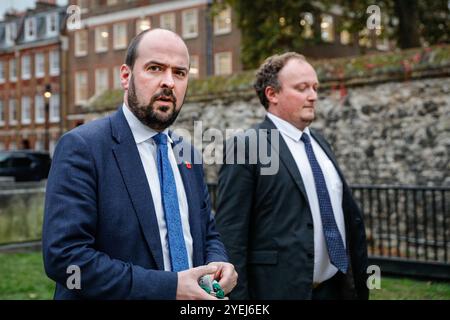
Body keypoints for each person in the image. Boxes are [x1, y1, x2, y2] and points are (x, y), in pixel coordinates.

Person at [43, 28, 237, 300]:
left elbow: (207, 233)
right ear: (126, 76)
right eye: (155, 68)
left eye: (180, 73)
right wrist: (169, 288)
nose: (169, 82)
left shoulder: (187, 154)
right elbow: (65, 259)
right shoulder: (83, 147)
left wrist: (218, 264)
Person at [215, 52, 368, 300]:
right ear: (272, 94)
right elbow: (231, 235)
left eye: (315, 87)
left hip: (335, 288)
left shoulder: (320, 142)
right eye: (302, 88)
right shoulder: (248, 146)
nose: (313, 96)